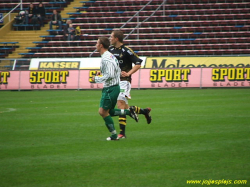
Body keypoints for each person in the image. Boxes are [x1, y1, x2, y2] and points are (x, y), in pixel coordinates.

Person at [91, 37, 139, 141]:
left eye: (97, 43)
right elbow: (116, 70)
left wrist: (96, 79)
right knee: (110, 111)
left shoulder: (106, 58)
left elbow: (110, 75)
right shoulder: (110, 55)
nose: (95, 45)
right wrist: (102, 72)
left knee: (102, 112)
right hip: (113, 87)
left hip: (111, 88)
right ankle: (129, 112)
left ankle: (114, 135)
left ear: (101, 45)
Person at [109, 30, 152, 139]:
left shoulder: (126, 50)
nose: (110, 38)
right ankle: (144, 111)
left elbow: (138, 63)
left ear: (116, 38)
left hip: (124, 81)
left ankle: (122, 133)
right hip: (114, 82)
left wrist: (128, 73)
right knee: (125, 107)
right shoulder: (110, 50)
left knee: (120, 104)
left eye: (111, 37)